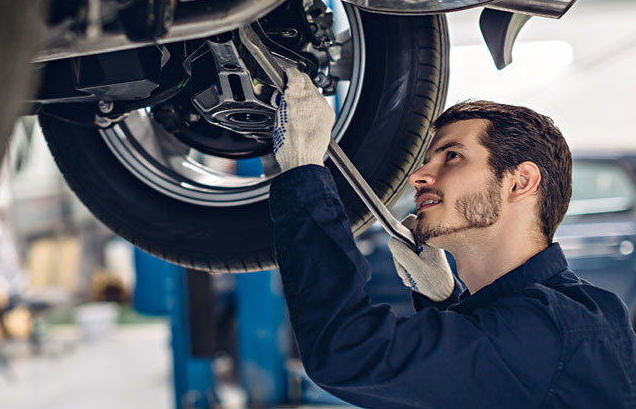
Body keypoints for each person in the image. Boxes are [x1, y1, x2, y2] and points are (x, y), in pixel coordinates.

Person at [269, 67, 636, 408]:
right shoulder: (578, 311)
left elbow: (346, 353)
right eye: (428, 159)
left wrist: (303, 171)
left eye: (453, 156)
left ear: (520, 182)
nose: (419, 176)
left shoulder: (549, 329)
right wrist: (443, 300)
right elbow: (482, 373)